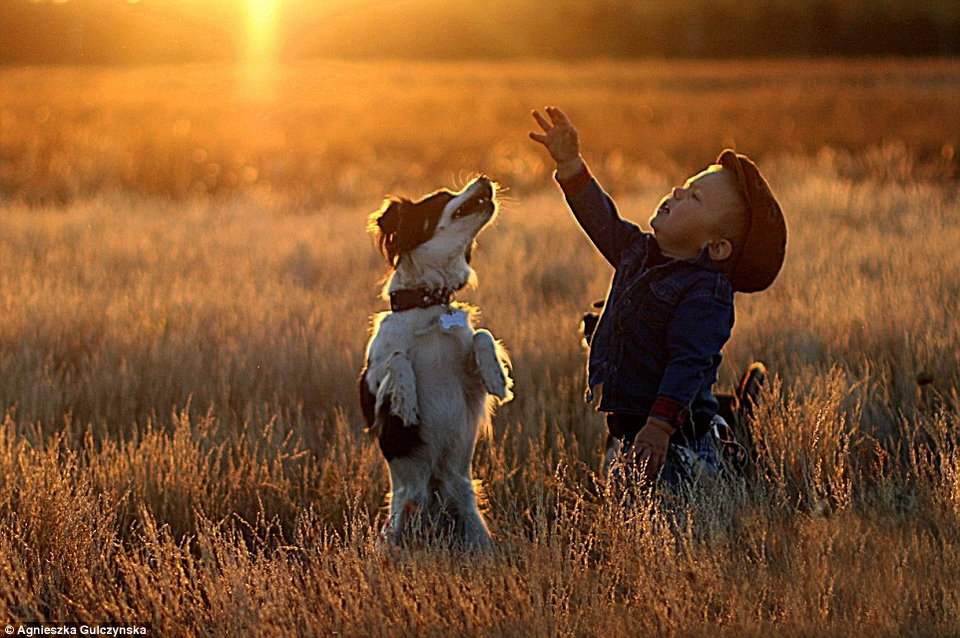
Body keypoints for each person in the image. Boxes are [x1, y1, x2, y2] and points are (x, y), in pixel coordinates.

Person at [529, 106, 786, 486]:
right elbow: (601, 219)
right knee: (624, 501)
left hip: (677, 437)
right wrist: (570, 164)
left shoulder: (706, 293)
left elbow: (690, 362)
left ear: (716, 248)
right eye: (683, 186)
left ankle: (731, 438)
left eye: (694, 198)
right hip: (632, 425)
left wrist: (660, 426)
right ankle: (732, 413)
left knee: (665, 515)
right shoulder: (637, 252)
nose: (677, 192)